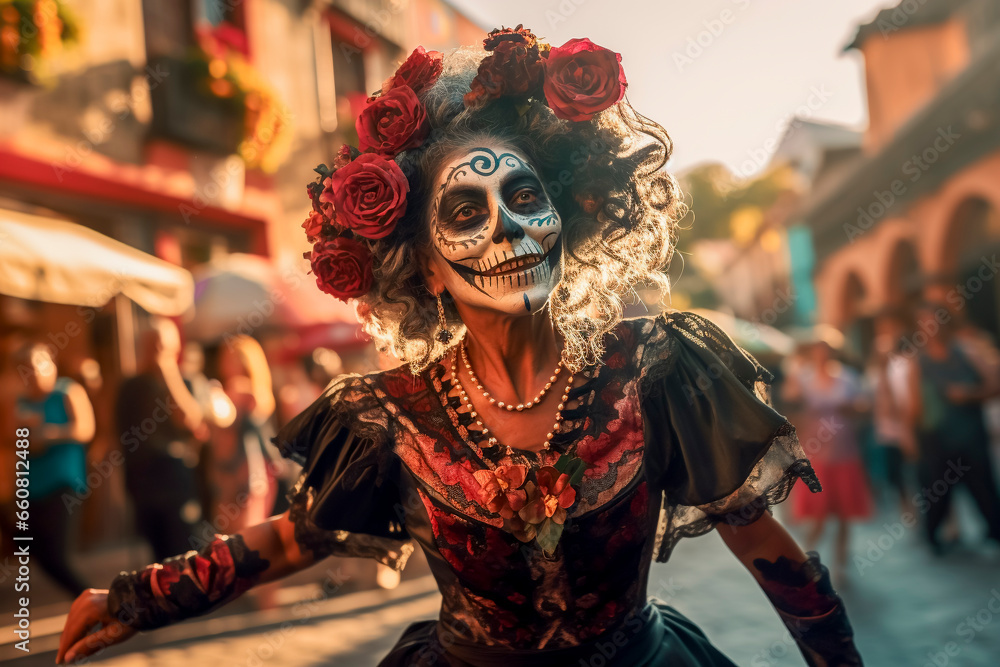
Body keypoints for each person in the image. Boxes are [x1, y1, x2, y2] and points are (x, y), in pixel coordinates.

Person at [57, 29, 862, 666]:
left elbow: (768, 550)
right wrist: (136, 599)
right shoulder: (388, 417)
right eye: (467, 213)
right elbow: (297, 537)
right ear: (430, 271)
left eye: (523, 197)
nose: (508, 227)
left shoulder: (655, 368)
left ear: (563, 225)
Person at [905, 302, 1000, 554]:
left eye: (934, 321)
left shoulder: (967, 351)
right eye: (924, 322)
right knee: (936, 492)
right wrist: (910, 440)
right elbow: (913, 407)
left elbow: (994, 385)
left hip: (971, 436)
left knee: (984, 488)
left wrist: (970, 394)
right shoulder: (918, 361)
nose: (930, 328)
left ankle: (994, 533)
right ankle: (933, 539)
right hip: (935, 439)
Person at [783, 332, 874, 583]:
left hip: (845, 451)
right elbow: (789, 407)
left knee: (844, 514)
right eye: (817, 349)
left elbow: (864, 406)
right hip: (816, 452)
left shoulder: (847, 377)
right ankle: (804, 559)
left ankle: (841, 562)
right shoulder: (802, 377)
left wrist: (853, 408)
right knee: (819, 514)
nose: (821, 354)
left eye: (826, 349)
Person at [116, 317, 208, 561]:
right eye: (150, 344)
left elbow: (191, 421)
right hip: (142, 482)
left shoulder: (187, 381)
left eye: (160, 344)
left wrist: (167, 370)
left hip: (175, 480)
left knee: (184, 551)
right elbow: (117, 435)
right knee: (158, 559)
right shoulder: (131, 387)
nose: (155, 350)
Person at [14, 342, 95, 597]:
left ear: (51, 366)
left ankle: (89, 598)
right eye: (25, 368)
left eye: (37, 365)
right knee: (39, 553)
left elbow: (85, 429)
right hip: (32, 486)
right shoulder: (21, 404)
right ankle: (87, 599)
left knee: (55, 553)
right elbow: (11, 439)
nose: (33, 373)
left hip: (63, 482)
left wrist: (48, 435)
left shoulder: (67, 392)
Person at [208, 334, 279, 532]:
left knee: (241, 537)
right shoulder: (254, 393)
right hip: (244, 471)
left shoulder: (243, 392)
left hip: (244, 472)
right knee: (245, 535)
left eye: (233, 357)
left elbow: (223, 421)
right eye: (225, 357)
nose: (226, 363)